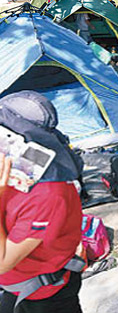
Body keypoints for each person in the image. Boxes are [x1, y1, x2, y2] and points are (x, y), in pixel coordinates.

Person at [0, 91, 84, 313]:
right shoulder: (12, 172)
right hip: (14, 287)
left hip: (42, 294)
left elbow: (2, 262)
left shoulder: (48, 194)